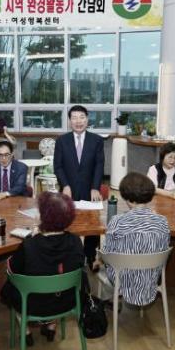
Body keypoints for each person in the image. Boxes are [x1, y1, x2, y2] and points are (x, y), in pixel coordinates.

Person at [0, 192, 85, 345]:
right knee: (58, 276)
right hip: (67, 301)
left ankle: (26, 331)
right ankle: (51, 326)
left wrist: (32, 239)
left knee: (9, 287)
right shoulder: (76, 241)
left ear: (44, 217)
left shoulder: (30, 245)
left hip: (33, 304)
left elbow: (11, 270)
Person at [103, 172, 170, 306]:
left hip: (122, 281)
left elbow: (106, 255)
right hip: (151, 279)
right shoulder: (163, 222)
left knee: (105, 252)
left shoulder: (117, 222)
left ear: (127, 198)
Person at [53, 105, 104, 271]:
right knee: (68, 224)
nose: (78, 121)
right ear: (69, 121)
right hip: (68, 190)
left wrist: (95, 187)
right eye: (74, 118)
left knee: (92, 224)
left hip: (90, 189)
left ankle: (90, 256)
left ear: (87, 119)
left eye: (82, 117)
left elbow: (99, 165)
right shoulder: (61, 141)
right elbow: (58, 166)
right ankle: (70, 258)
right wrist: (65, 185)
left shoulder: (97, 140)